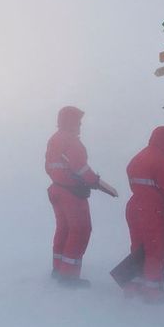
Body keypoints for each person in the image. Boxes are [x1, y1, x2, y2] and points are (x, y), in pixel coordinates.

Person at [45, 106, 102, 288]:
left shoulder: (54, 140)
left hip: (57, 190)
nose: (80, 125)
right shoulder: (72, 142)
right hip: (71, 193)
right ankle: (69, 276)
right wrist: (93, 180)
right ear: (71, 122)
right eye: (78, 121)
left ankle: (59, 268)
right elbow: (81, 168)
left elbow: (50, 166)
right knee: (80, 230)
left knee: (64, 229)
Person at [124, 126, 164, 303]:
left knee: (138, 248)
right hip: (153, 209)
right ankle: (152, 291)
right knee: (155, 249)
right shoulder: (163, 160)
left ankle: (134, 286)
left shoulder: (138, 157)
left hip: (134, 207)